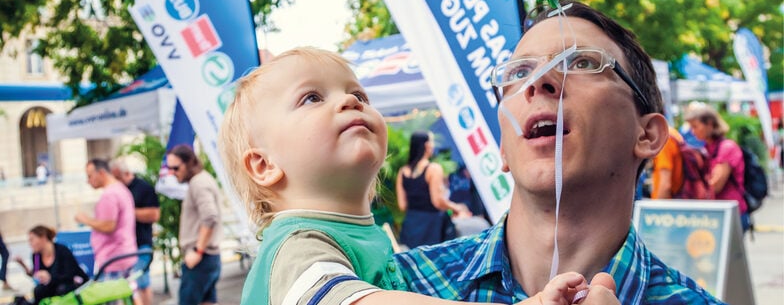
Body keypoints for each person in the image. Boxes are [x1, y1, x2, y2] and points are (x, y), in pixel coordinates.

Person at [392, 0, 724, 304]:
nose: (538, 81)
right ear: (503, 148)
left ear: (648, 135)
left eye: (581, 61)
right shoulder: (398, 286)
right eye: (519, 73)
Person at [218, 47, 592, 305]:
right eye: (312, 98)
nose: (351, 101)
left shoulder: (352, 236)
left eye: (359, 95)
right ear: (264, 166)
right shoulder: (298, 244)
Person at [166, 144, 222, 305]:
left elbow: (210, 216)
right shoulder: (202, 179)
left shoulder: (199, 182)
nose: (172, 173)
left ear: (189, 162)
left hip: (201, 258)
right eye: (169, 168)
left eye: (175, 168)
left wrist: (198, 250)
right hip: (207, 257)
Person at [396, 131, 471, 249]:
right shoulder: (433, 169)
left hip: (411, 224)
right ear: (426, 146)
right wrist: (457, 207)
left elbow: (402, 205)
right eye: (431, 141)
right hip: (431, 227)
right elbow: (438, 201)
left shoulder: (403, 171)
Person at [684, 104, 750, 231]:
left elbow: (716, 185)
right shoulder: (708, 149)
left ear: (709, 124)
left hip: (732, 214)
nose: (693, 131)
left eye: (695, 126)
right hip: (718, 213)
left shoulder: (727, 148)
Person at [110, 158, 161, 305]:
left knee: (141, 282)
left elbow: (155, 215)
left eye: (117, 177)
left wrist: (128, 212)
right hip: (122, 247)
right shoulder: (116, 191)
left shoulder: (144, 188)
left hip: (140, 244)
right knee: (125, 286)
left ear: (126, 174)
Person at [75, 158, 137, 275]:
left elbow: (108, 226)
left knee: (113, 292)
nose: (88, 181)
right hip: (124, 255)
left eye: (89, 176)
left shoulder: (110, 195)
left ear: (101, 173)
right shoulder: (121, 189)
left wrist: (85, 220)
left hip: (113, 259)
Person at [13, 225, 88, 304]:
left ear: (43, 238)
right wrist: (23, 265)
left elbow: (70, 275)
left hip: (72, 284)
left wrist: (50, 278)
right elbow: (36, 275)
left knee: (62, 289)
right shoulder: (36, 256)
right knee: (38, 290)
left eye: (32, 240)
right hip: (53, 285)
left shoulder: (62, 250)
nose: (30, 244)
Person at [650, 127, 685, 199]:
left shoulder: (664, 141)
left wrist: (656, 209)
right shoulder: (673, 134)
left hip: (667, 203)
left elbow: (665, 185)